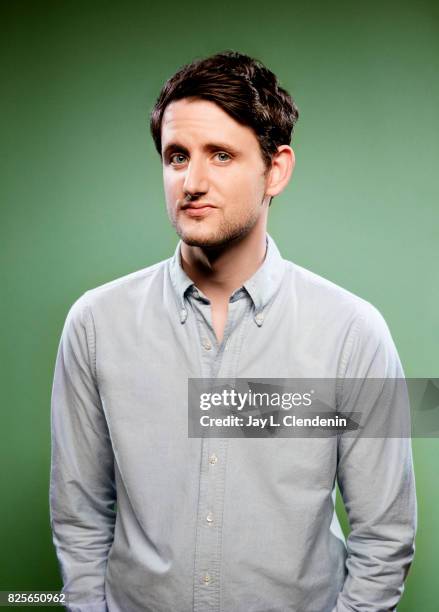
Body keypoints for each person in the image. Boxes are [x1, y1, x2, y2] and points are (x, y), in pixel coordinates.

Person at [50, 51, 416, 612]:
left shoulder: (353, 333)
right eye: (177, 157)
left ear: (277, 170)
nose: (191, 181)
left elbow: (385, 537)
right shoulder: (96, 325)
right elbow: (78, 516)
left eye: (220, 155)